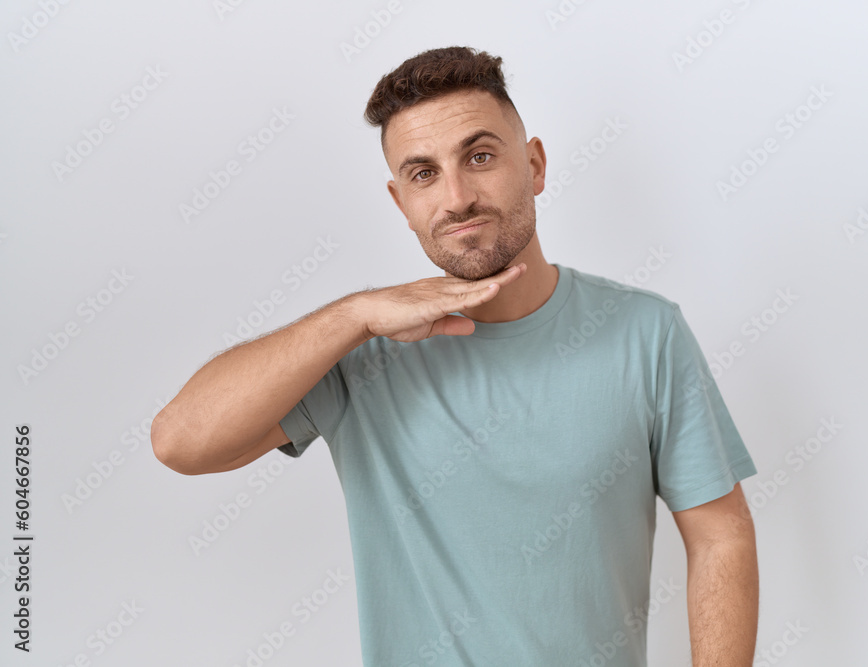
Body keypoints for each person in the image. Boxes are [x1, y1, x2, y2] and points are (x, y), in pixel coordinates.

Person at [152, 45, 759, 666]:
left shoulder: (645, 333)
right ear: (401, 204)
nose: (457, 197)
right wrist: (354, 315)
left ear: (534, 165)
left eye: (480, 157)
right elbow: (181, 442)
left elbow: (720, 535)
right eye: (424, 174)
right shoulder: (363, 353)